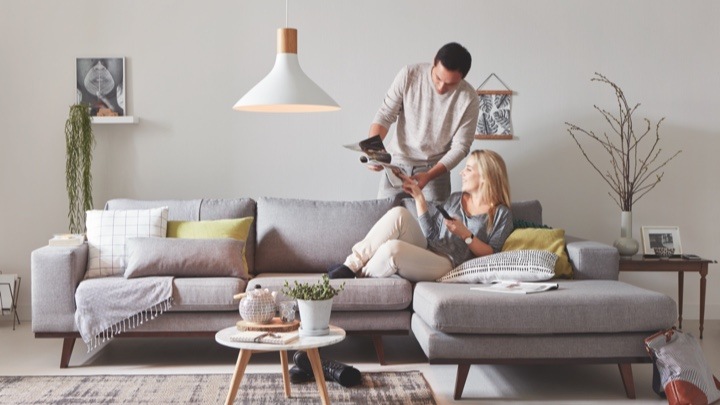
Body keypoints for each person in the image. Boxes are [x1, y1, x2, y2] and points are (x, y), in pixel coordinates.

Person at [328, 150, 514, 282]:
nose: (461, 173)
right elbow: (432, 234)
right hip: (429, 247)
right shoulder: (457, 199)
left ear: (485, 176)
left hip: (449, 263)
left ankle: (355, 278)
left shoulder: (501, 214)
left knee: (394, 249)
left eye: (469, 169)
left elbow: (494, 255)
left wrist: (466, 235)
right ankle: (350, 266)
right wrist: (418, 196)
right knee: (399, 213)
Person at [368, 42, 481, 202]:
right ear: (434, 62)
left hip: (435, 171)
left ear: (462, 79)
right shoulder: (409, 75)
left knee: (432, 224)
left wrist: (429, 175)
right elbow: (385, 115)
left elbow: (461, 147)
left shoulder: (469, 99)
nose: (441, 88)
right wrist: (373, 152)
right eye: (438, 78)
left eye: (450, 84)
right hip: (396, 165)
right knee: (384, 218)